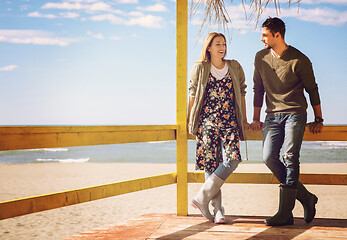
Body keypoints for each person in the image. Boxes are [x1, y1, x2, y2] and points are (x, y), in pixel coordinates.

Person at [251, 17, 323, 226]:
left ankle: (285, 213)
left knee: (290, 157)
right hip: (272, 115)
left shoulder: (299, 60)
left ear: (277, 35)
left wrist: (318, 118)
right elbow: (258, 88)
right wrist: (255, 118)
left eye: (265, 35)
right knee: (268, 157)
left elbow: (312, 89)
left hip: (295, 113)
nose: (261, 38)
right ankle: (306, 197)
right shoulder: (260, 57)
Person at [187, 32, 249, 224]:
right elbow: (193, 95)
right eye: (217, 44)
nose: (222, 47)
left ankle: (201, 198)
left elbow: (242, 93)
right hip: (207, 122)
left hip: (230, 121)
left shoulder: (235, 66)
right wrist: (189, 121)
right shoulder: (200, 68)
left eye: (223, 44)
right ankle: (218, 210)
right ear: (208, 47)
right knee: (210, 166)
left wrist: (244, 120)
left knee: (233, 160)